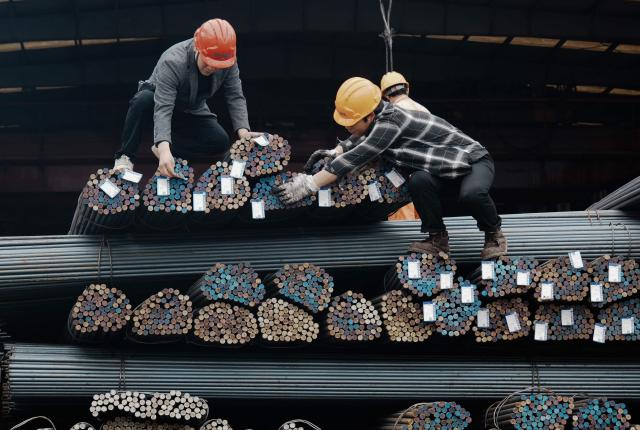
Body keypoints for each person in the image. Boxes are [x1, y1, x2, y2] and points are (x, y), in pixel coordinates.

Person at [277, 77, 507, 259]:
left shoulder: (392, 121)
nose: (347, 127)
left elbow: (359, 154)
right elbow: (358, 140)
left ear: (370, 116)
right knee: (418, 181)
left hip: (471, 161)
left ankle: (494, 235)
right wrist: (335, 151)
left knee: (472, 194)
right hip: (444, 170)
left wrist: (310, 184)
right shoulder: (377, 121)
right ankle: (437, 239)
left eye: (351, 122)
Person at [112, 18, 265, 177]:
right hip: (158, 104)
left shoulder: (227, 61)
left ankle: (173, 155)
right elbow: (163, 108)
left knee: (220, 140)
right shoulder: (173, 61)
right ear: (197, 48)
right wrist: (164, 148)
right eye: (208, 61)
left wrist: (244, 132)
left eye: (217, 65)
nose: (212, 67)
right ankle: (125, 157)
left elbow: (235, 96)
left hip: (192, 109)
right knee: (142, 99)